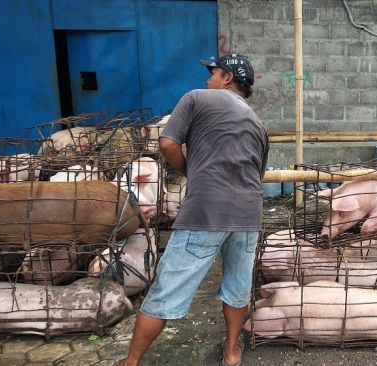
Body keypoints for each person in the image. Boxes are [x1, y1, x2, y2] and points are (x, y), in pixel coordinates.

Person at [116, 53, 269, 366]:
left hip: (206, 210)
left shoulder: (197, 98)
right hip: (248, 213)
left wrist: (191, 171)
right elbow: (257, 174)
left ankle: (130, 363)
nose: (207, 79)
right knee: (238, 286)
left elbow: (168, 144)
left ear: (227, 78)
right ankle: (230, 353)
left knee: (166, 289)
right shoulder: (258, 124)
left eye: (213, 73)